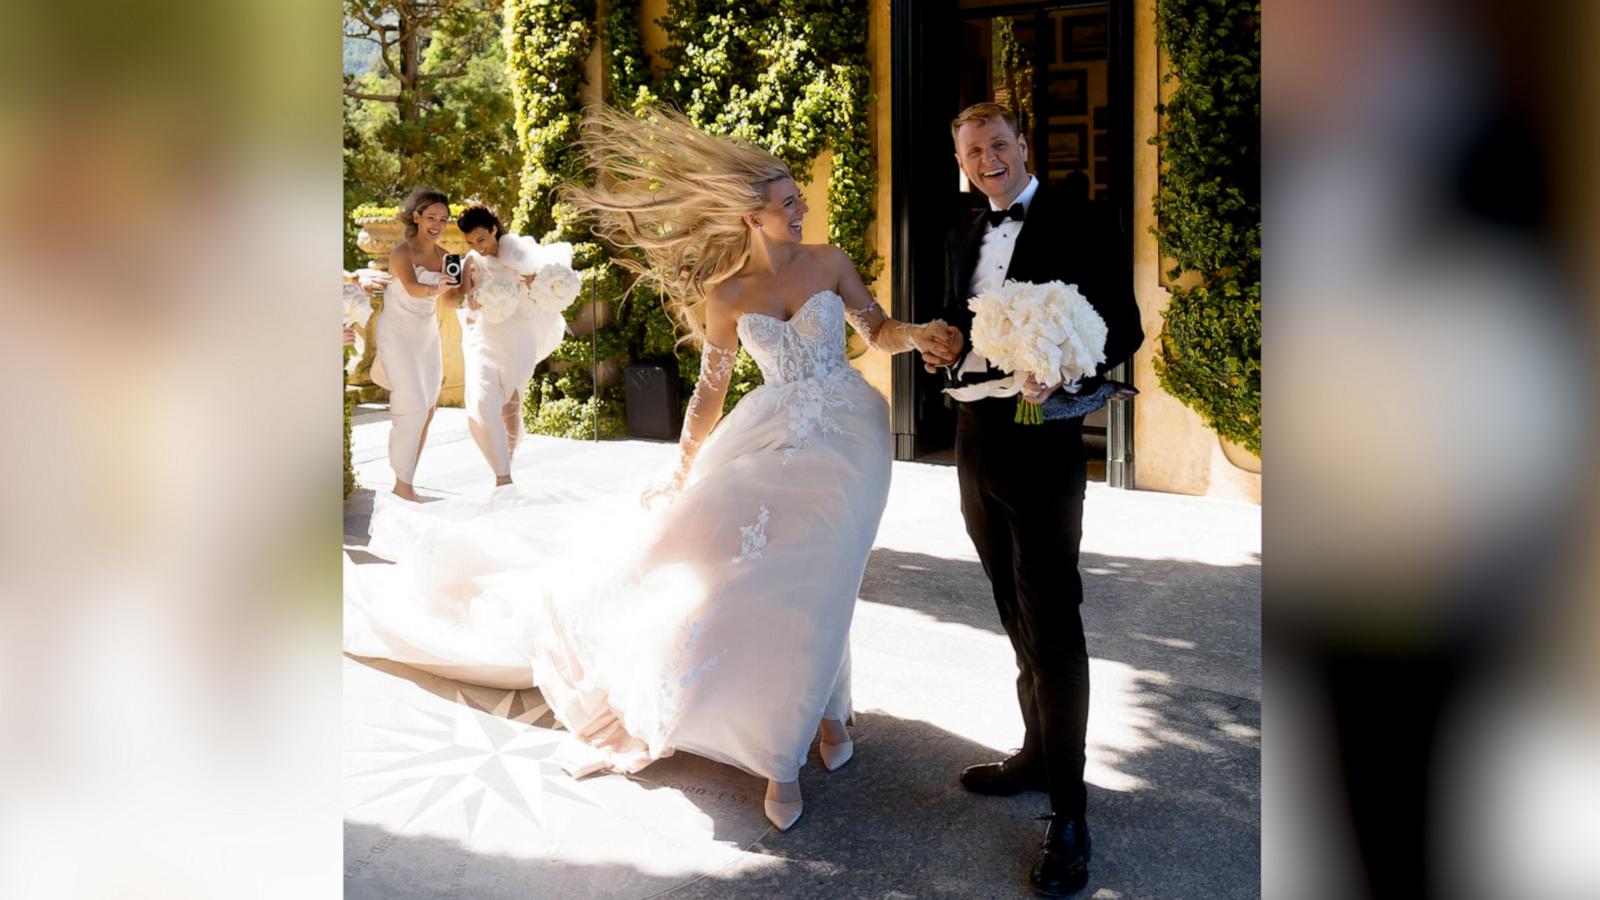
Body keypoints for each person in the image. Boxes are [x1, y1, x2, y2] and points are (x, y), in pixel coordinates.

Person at [345, 106, 956, 832]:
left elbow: (877, 330)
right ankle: (813, 727)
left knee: (827, 567)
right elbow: (711, 392)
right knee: (773, 574)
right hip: (770, 434)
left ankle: (794, 742)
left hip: (849, 434)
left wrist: (915, 335)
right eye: (787, 202)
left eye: (799, 200)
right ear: (751, 217)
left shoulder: (830, 262)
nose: (802, 208)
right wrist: (685, 465)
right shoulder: (727, 295)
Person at [923, 102, 1144, 897]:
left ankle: (1071, 810)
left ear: (1024, 145)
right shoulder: (960, 233)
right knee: (1011, 608)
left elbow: (1123, 327)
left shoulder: (1082, 220)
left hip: (1042, 436)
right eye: (973, 149)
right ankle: (1037, 750)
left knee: (1052, 615)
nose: (987, 158)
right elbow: (962, 319)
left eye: (998, 144)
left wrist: (1072, 366)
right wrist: (943, 344)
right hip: (976, 440)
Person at [455, 203, 569, 487]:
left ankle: (506, 468)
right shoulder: (470, 260)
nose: (477, 247)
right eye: (470, 242)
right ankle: (502, 474)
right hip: (485, 335)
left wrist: (533, 284)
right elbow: (467, 301)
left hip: (518, 336)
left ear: (494, 229)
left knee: (510, 404)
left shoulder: (516, 254)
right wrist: (476, 301)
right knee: (482, 403)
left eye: (481, 239)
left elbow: (539, 287)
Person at [372, 188, 462, 501]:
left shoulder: (447, 258)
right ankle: (402, 486)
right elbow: (412, 289)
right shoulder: (402, 252)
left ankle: (407, 479)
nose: (437, 223)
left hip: (426, 335)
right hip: (397, 332)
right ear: (417, 217)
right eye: (431, 217)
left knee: (428, 406)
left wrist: (469, 289)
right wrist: (435, 287)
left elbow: (450, 301)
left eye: (443, 219)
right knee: (410, 402)